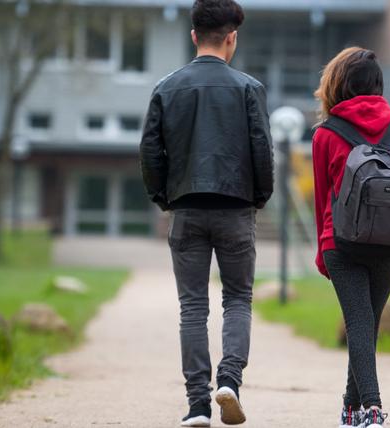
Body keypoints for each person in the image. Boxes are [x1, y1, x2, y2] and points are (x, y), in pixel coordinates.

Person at [139, 0, 273, 426]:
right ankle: (229, 380)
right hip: (235, 208)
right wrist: (260, 196)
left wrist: (164, 196)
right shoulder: (249, 88)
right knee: (238, 298)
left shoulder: (166, 88)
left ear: (194, 35)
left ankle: (197, 404)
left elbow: (149, 152)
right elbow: (262, 152)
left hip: (187, 207)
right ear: (231, 37)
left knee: (192, 307)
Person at [312, 47, 390, 428]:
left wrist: (323, 252)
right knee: (365, 322)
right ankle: (349, 409)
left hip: (342, 242)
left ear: (338, 84)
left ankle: (370, 408)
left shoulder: (326, 133)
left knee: (360, 322)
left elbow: (324, 197)